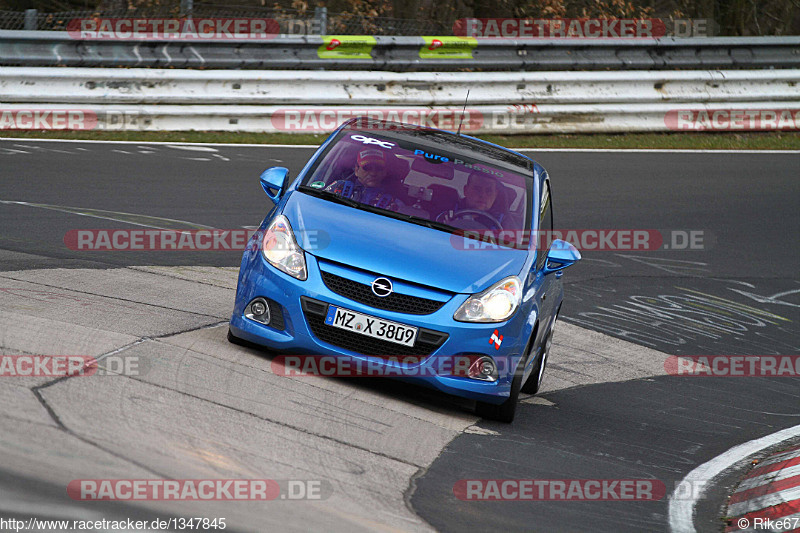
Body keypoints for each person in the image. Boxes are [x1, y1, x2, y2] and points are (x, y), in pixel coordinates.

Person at [325, 149, 404, 211]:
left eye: (379, 168)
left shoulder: (394, 203)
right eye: (367, 168)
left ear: (385, 172)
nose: (373, 173)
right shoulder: (339, 187)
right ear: (356, 170)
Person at [437, 171, 507, 229]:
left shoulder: (505, 224)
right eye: (477, 189)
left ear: (495, 195)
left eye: (489, 191)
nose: (482, 195)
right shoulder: (447, 212)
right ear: (465, 190)